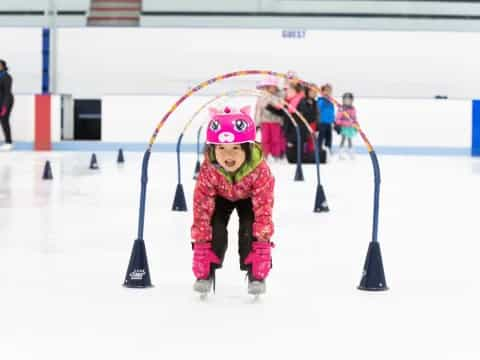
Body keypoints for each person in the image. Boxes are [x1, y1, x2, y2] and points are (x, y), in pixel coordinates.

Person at [191, 106, 275, 296]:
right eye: (221, 148)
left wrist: (262, 241)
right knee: (215, 225)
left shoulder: (259, 170)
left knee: (249, 225)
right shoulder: (210, 168)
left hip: (249, 198)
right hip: (221, 197)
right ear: (213, 148)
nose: (228, 155)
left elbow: (264, 206)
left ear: (248, 147)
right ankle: (206, 270)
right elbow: (202, 206)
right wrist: (202, 242)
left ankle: (255, 272)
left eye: (236, 148)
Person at [254, 76, 285, 160]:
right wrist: (256, 122)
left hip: (276, 121)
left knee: (276, 139)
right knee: (265, 139)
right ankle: (265, 155)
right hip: (264, 121)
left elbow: (281, 108)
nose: (272, 89)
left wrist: (273, 106)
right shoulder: (262, 96)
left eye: (273, 87)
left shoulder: (279, 96)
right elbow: (258, 110)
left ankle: (276, 155)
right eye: (269, 87)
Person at [335, 92, 358, 159]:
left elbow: (354, 117)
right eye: (346, 100)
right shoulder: (341, 108)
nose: (347, 101)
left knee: (349, 139)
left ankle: (351, 152)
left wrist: (356, 124)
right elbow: (338, 118)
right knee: (343, 138)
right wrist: (339, 124)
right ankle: (340, 153)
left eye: (349, 100)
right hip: (344, 127)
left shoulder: (352, 108)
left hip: (350, 127)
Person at [317, 83, 335, 156]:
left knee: (329, 137)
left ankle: (328, 150)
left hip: (329, 123)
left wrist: (334, 121)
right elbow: (318, 111)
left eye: (330, 91)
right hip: (322, 122)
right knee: (321, 137)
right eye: (326, 91)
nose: (328, 93)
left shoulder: (331, 102)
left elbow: (332, 112)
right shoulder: (321, 101)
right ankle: (318, 150)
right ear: (322, 92)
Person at [0, 60, 14, 151]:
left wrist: (5, 106)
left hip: (6, 100)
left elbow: (7, 93)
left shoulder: (6, 77)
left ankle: (8, 142)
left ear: (3, 66)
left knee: (4, 120)